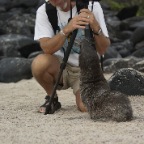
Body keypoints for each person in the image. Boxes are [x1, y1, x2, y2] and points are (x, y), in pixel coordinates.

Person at [32, 0, 110, 113]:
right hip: (60, 66)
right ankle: (51, 97)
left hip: (85, 69)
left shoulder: (92, 6)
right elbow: (46, 48)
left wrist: (95, 26)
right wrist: (66, 30)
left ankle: (97, 92)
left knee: (85, 107)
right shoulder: (45, 11)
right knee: (39, 63)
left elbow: (103, 49)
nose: (55, 2)